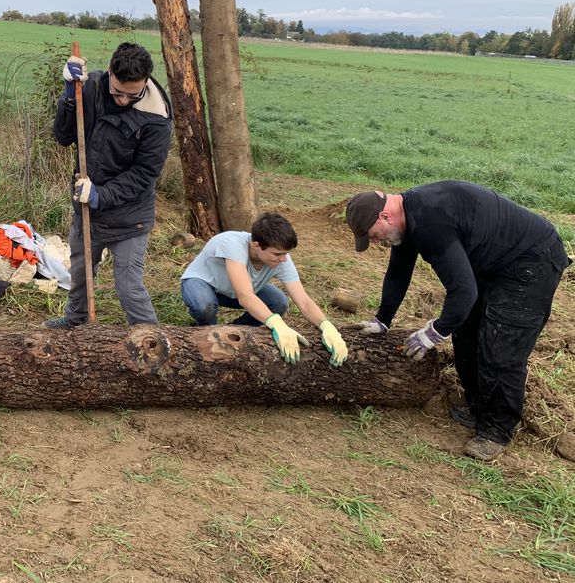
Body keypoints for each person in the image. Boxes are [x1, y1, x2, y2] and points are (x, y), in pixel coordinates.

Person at [345, 181, 571, 460]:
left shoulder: (429, 222)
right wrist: (383, 320)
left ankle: (496, 430)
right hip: (494, 262)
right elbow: (398, 273)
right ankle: (478, 406)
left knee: (500, 347)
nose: (377, 243)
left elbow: (463, 292)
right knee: (465, 331)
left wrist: (434, 332)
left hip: (531, 260)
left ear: (385, 217)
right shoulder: (407, 220)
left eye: (374, 236)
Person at [44, 42, 172, 329]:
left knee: (128, 286)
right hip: (87, 207)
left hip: (130, 216)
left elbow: (144, 173)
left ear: (146, 82)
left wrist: (101, 194)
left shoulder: (157, 117)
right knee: (80, 272)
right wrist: (69, 96)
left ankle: (152, 338)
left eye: (132, 94)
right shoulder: (89, 89)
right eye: (117, 92)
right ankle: (75, 322)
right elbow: (63, 137)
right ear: (110, 73)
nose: (123, 100)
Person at [180, 212, 349, 366]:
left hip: (236, 291)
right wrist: (277, 324)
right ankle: (205, 335)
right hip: (202, 284)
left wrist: (326, 325)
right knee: (205, 307)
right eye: (277, 254)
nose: (283, 259)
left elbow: (303, 301)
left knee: (279, 302)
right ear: (256, 245)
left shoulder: (281, 257)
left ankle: (233, 331)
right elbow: (245, 296)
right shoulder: (233, 245)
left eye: (286, 253)